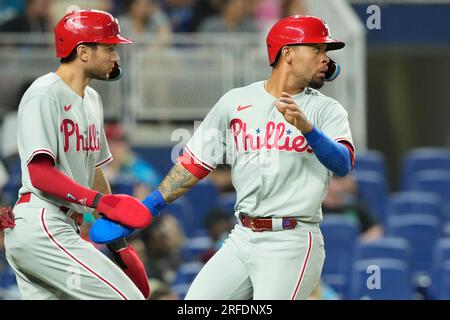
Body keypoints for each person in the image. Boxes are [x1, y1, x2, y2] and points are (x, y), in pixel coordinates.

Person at [92, 15, 355, 300]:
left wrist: (309, 130)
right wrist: (148, 208)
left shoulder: (327, 110)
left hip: (291, 239)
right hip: (243, 236)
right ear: (287, 53)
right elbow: (194, 164)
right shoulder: (236, 101)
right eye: (316, 49)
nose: (325, 58)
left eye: (326, 51)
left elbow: (343, 164)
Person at [0, 9, 155, 300]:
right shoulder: (44, 93)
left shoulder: (92, 100)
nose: (116, 57)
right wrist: (99, 201)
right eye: (109, 48)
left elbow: (93, 171)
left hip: (61, 226)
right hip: (43, 220)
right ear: (82, 51)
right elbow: (40, 173)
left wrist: (117, 242)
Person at [322, 175, 383, 241]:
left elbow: (376, 229)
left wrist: (358, 243)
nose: (335, 187)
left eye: (339, 181)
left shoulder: (354, 206)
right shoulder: (315, 209)